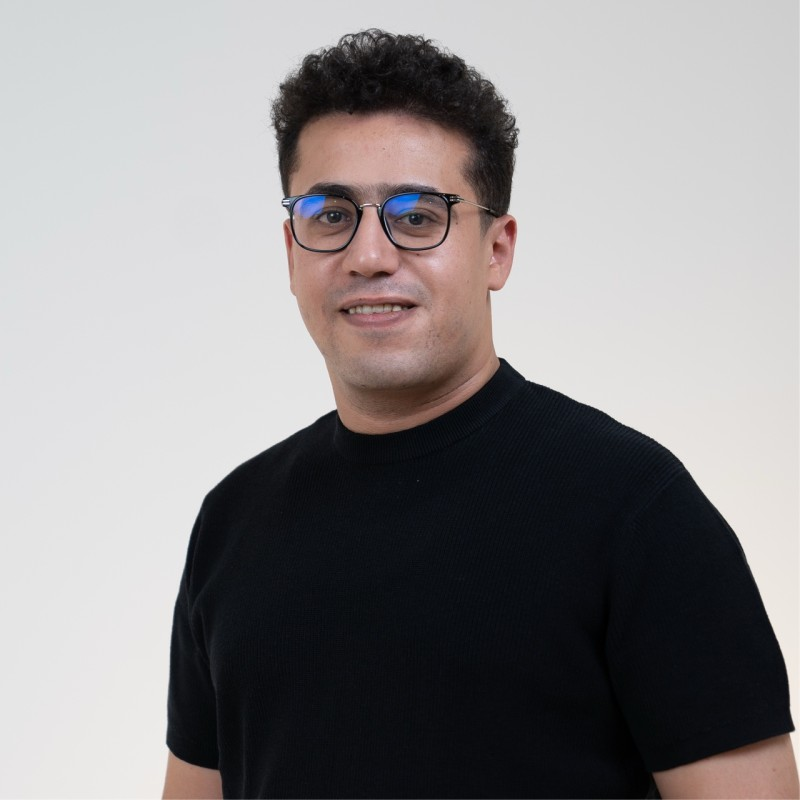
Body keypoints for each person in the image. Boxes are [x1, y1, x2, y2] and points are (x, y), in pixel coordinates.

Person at [162, 29, 797, 799]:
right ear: (292, 252)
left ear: (497, 250)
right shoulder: (233, 522)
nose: (369, 255)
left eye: (417, 215)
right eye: (330, 215)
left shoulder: (637, 511)